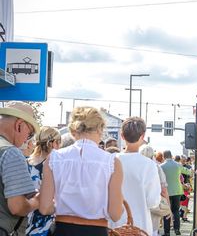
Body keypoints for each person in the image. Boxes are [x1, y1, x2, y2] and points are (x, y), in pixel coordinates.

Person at [39, 106, 124, 236]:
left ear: (72, 131)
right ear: (100, 129)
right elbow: (116, 214)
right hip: (96, 230)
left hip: (62, 229)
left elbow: (45, 208)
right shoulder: (112, 162)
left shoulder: (54, 158)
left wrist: (63, 207)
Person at [110, 117, 160, 236]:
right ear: (142, 136)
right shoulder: (149, 165)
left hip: (114, 225)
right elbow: (153, 202)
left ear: (122, 136)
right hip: (140, 226)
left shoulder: (110, 160)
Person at [0, 101, 40, 234]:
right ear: (19, 125)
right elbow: (17, 207)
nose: (26, 140)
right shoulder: (10, 152)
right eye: (29, 134)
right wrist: (35, 202)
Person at [26, 126, 62, 236]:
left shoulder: (24, 163)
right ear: (54, 143)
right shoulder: (54, 166)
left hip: (25, 220)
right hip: (46, 223)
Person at [139, 145, 169, 236]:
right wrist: (168, 207)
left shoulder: (136, 166)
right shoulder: (156, 167)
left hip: (137, 206)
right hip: (153, 206)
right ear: (152, 156)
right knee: (152, 231)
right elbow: (163, 190)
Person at [160, 150, 185, 236]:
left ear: (164, 156)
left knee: (166, 211)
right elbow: (188, 171)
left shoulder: (161, 166)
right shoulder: (178, 165)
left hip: (166, 191)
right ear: (171, 155)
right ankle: (177, 229)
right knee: (176, 211)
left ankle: (167, 232)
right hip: (177, 191)